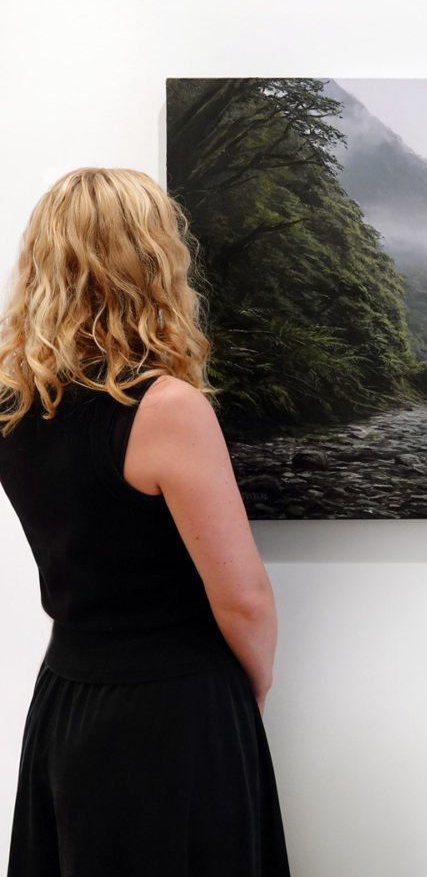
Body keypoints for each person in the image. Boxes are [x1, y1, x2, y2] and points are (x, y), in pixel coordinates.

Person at [0, 168, 291, 876]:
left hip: (67, 700)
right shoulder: (166, 408)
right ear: (152, 261)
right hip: (174, 708)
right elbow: (244, 600)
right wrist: (248, 688)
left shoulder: (11, 407)